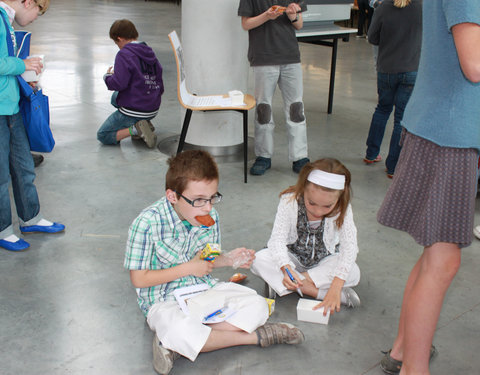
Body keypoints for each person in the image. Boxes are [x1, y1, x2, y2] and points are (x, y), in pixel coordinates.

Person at [124, 150, 305, 375]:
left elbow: (208, 260)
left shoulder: (211, 217)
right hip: (162, 301)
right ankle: (254, 338)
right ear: (173, 196)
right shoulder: (146, 224)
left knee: (258, 306)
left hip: (203, 291)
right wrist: (188, 268)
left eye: (212, 198)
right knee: (175, 326)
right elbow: (139, 280)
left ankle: (178, 345)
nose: (208, 207)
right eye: (199, 200)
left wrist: (228, 260)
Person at [376, 1, 480, 373]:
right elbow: (475, 65)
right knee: (443, 261)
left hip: (443, 125)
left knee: (434, 254)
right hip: (448, 132)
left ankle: (404, 351)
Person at [251, 158, 361, 316]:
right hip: (293, 259)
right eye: (312, 203)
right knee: (259, 259)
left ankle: (287, 286)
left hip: (324, 261)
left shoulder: (344, 208)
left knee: (353, 271)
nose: (318, 211)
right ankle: (317, 292)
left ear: (339, 198)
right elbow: (277, 240)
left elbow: (349, 247)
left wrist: (337, 286)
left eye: (328, 206)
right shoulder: (289, 201)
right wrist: (286, 269)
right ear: (303, 189)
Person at [0, 0, 65, 252]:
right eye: (38, 10)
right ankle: (4, 229)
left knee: (23, 166)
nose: (36, 17)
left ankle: (30, 218)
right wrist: (22, 65)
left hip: (12, 107)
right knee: (2, 174)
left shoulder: (6, 18)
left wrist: (26, 77)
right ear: (28, 2)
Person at [238, 1, 310, 176]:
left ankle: (300, 157)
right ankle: (263, 156)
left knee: (296, 109)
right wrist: (267, 16)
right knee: (264, 109)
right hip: (263, 57)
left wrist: (293, 16)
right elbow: (246, 24)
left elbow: (299, 25)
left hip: (290, 57)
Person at [363, 0, 422, 178]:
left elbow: (372, 37)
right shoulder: (423, 7)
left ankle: (371, 154)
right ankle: (393, 167)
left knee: (382, 109)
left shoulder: (383, 7)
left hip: (386, 68)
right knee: (400, 119)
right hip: (411, 69)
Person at [97, 19, 163, 148]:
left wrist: (108, 77)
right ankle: (145, 123)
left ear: (120, 38)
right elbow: (157, 77)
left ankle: (135, 128)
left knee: (103, 135)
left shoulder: (124, 54)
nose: (118, 46)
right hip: (153, 106)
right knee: (115, 98)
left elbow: (118, 84)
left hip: (136, 110)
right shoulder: (149, 51)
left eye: (116, 42)